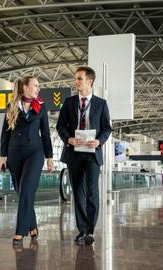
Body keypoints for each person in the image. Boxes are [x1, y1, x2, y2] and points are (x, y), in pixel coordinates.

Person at [56, 66, 112, 245]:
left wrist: (99, 141)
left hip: (92, 153)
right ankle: (82, 230)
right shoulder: (69, 102)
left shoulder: (101, 104)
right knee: (78, 192)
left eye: (80, 79)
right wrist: (69, 139)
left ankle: (90, 230)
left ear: (90, 81)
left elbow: (106, 128)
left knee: (91, 192)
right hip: (74, 152)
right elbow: (60, 126)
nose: (76, 82)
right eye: (76, 79)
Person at [0, 76, 54, 245]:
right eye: (35, 85)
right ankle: (33, 225)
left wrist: (49, 157)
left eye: (38, 86)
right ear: (25, 87)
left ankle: (20, 231)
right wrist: (2, 156)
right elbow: (5, 132)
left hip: (35, 152)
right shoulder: (11, 106)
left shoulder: (41, 106)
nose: (38, 88)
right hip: (15, 153)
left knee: (27, 189)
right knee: (23, 192)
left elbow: (45, 133)